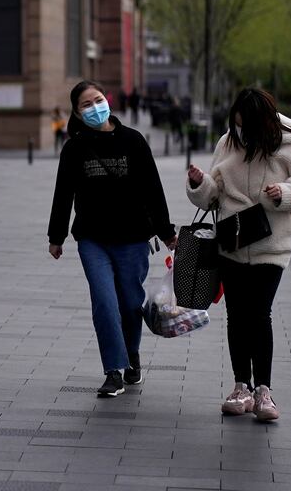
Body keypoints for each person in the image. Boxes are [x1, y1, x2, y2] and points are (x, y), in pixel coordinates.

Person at [185, 88, 291, 422]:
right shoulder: (227, 143)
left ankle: (264, 390)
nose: (242, 131)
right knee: (236, 315)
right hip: (231, 245)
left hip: (271, 245)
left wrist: (285, 192)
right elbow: (213, 198)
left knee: (259, 314)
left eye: (247, 125)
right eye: (237, 124)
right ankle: (240, 386)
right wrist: (199, 184)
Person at [48, 80, 178, 399]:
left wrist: (166, 231)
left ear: (107, 100)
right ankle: (113, 371)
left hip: (134, 238)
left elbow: (153, 189)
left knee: (131, 305)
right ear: (77, 113)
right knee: (105, 302)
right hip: (93, 239)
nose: (94, 107)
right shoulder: (75, 147)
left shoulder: (133, 141)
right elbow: (63, 193)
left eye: (98, 100)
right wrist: (57, 236)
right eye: (85, 105)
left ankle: (131, 355)